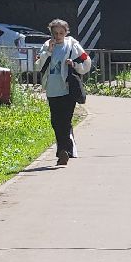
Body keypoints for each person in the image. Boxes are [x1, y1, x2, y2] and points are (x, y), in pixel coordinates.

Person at [35, 18, 92, 166]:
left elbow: (86, 62)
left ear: (66, 32)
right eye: (56, 33)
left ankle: (63, 151)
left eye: (61, 32)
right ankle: (65, 150)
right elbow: (37, 65)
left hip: (68, 89)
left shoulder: (73, 45)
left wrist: (74, 64)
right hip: (52, 89)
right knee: (55, 121)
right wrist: (48, 52)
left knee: (65, 121)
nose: (58, 36)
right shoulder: (47, 46)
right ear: (51, 33)